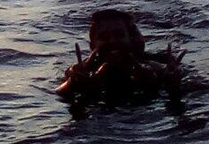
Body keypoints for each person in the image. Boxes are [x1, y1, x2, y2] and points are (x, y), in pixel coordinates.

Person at [55, 9, 185, 107]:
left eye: (119, 34)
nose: (112, 41)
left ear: (130, 39)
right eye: (104, 37)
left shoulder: (157, 66)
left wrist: (173, 85)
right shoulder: (82, 71)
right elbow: (59, 94)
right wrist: (73, 83)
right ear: (92, 46)